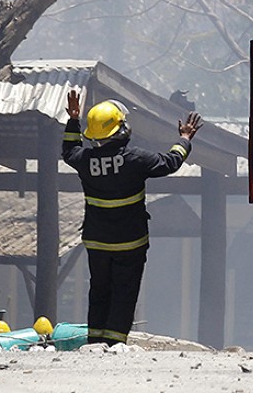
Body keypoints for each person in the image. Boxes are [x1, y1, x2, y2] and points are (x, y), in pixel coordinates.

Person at [61, 92, 203, 346]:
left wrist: (73, 120)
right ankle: (115, 345)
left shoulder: (85, 160)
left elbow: (69, 150)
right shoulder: (136, 159)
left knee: (99, 291)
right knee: (124, 293)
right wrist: (184, 139)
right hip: (129, 243)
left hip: (97, 242)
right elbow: (171, 162)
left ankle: (95, 343)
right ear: (121, 129)